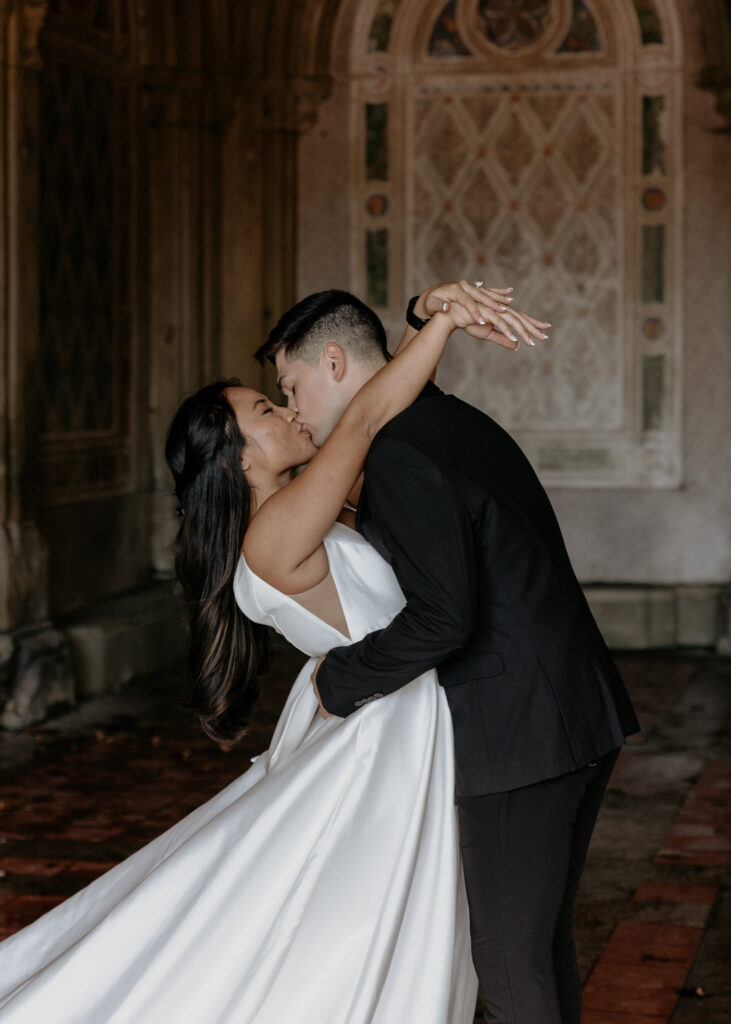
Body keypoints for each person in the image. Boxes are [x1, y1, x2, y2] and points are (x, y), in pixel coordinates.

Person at [0, 281, 544, 1023]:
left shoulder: (305, 507)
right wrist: (442, 319)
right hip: (391, 731)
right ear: (236, 458)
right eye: (266, 408)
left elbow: (390, 421)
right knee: (355, 927)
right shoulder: (276, 531)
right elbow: (370, 414)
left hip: (401, 718)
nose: (287, 408)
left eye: (281, 394)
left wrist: (421, 313)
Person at [256, 280, 641, 1024]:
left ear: (333, 362)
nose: (294, 407)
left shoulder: (399, 452)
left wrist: (339, 680)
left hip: (518, 732)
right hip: (573, 712)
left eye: (290, 385)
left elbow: (442, 620)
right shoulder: (445, 420)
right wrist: (425, 318)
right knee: (535, 950)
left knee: (506, 967)